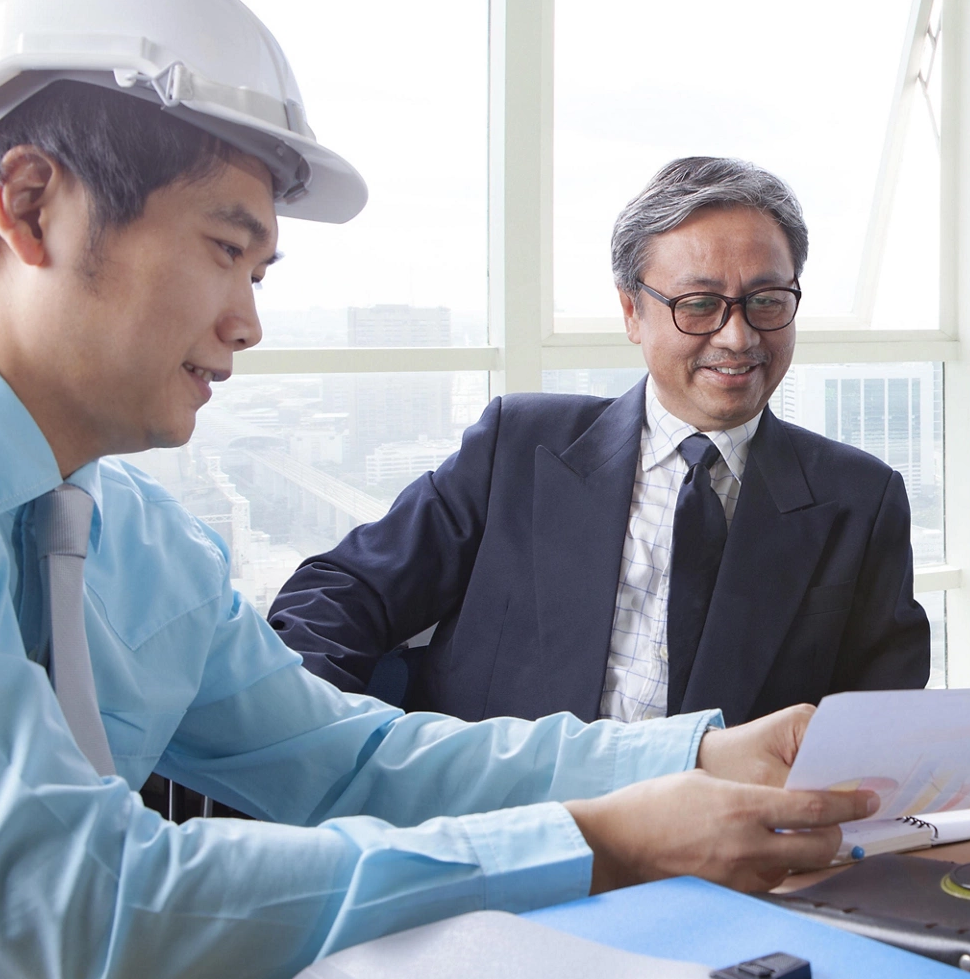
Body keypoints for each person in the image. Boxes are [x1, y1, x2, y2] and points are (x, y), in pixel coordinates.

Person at [0, 0, 874, 979]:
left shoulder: (137, 545)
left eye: (259, 272)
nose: (247, 323)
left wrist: (689, 762)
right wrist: (607, 840)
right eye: (221, 249)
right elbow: (79, 900)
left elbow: (349, 760)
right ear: (29, 206)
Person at [269, 157, 930, 726]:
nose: (738, 337)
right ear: (631, 312)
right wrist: (316, 748)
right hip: (509, 832)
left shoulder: (859, 501)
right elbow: (339, 594)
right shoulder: (518, 449)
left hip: (728, 853)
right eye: (699, 304)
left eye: (767, 301)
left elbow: (879, 728)